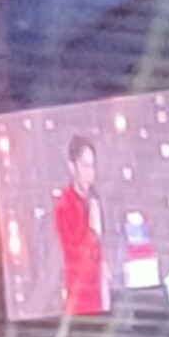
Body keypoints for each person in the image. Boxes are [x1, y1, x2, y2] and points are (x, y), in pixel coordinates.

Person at [52, 136, 108, 319]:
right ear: (72, 168)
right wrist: (93, 231)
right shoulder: (64, 207)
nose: (90, 173)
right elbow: (75, 258)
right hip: (80, 303)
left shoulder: (92, 200)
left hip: (98, 296)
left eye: (92, 166)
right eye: (85, 166)